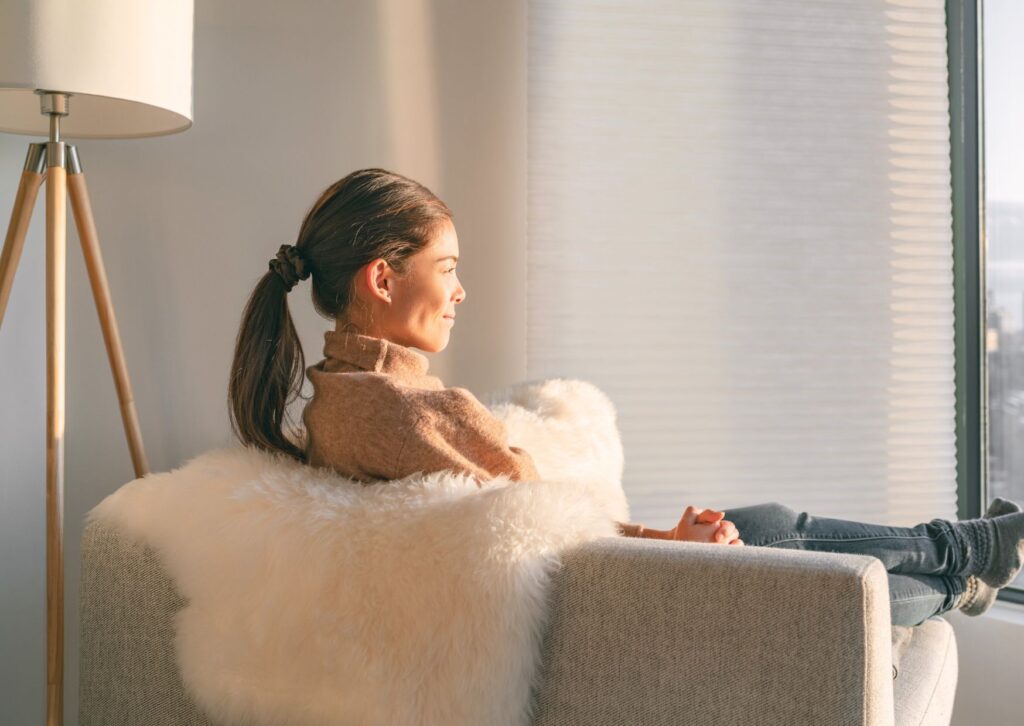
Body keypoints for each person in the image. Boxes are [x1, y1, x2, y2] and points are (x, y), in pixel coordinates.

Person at [227, 168, 1024, 628]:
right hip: (596, 602)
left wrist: (667, 536)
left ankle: (963, 555)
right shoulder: (412, 412)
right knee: (818, 576)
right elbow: (548, 537)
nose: (461, 291)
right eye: (447, 268)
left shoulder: (337, 398)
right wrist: (667, 547)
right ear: (382, 277)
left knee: (772, 524)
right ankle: (961, 570)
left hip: (580, 582)